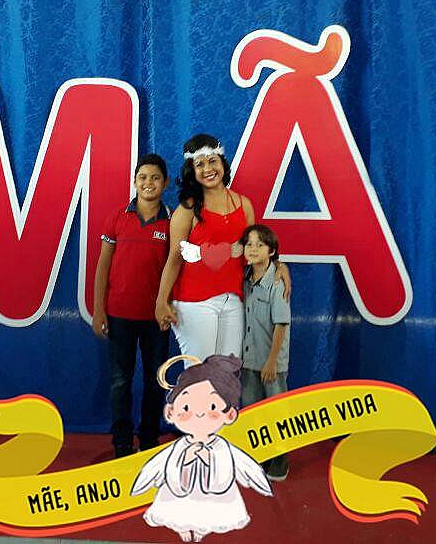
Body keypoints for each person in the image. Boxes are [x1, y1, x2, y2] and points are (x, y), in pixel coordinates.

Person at [154, 134, 291, 363]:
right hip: (195, 302)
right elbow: (174, 259)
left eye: (212, 161)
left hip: (233, 300)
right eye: (200, 164)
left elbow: (254, 252)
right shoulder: (187, 209)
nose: (208, 169)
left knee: (227, 373)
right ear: (192, 171)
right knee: (200, 373)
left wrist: (278, 265)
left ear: (222, 163)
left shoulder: (243, 204)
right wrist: (161, 301)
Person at [131, 354, 272, 541]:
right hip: (180, 491)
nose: (198, 414)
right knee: (177, 506)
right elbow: (158, 466)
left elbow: (239, 467)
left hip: (214, 493)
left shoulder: (221, 447)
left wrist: (209, 458)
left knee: (211, 510)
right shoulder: (180, 446)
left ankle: (203, 527)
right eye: (186, 407)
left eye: (212, 406)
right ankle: (181, 524)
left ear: (230, 414)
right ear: (171, 411)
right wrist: (185, 459)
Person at [93, 154, 172, 458]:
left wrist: (168, 306)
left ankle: (149, 440)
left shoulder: (173, 220)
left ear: (165, 183)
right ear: (135, 181)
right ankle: (122, 443)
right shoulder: (117, 218)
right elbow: (103, 266)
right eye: (143, 177)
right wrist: (98, 310)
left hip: (156, 318)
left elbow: (178, 268)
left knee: (155, 380)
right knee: (120, 381)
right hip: (119, 315)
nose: (148, 183)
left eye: (155, 177)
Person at [239, 224, 291, 481]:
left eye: (260, 245)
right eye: (249, 244)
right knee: (251, 409)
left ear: (271, 251)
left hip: (271, 363)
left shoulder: (277, 281)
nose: (253, 249)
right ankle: (260, 454)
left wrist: (271, 362)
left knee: (276, 410)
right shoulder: (244, 278)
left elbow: (281, 325)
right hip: (249, 360)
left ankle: (280, 458)